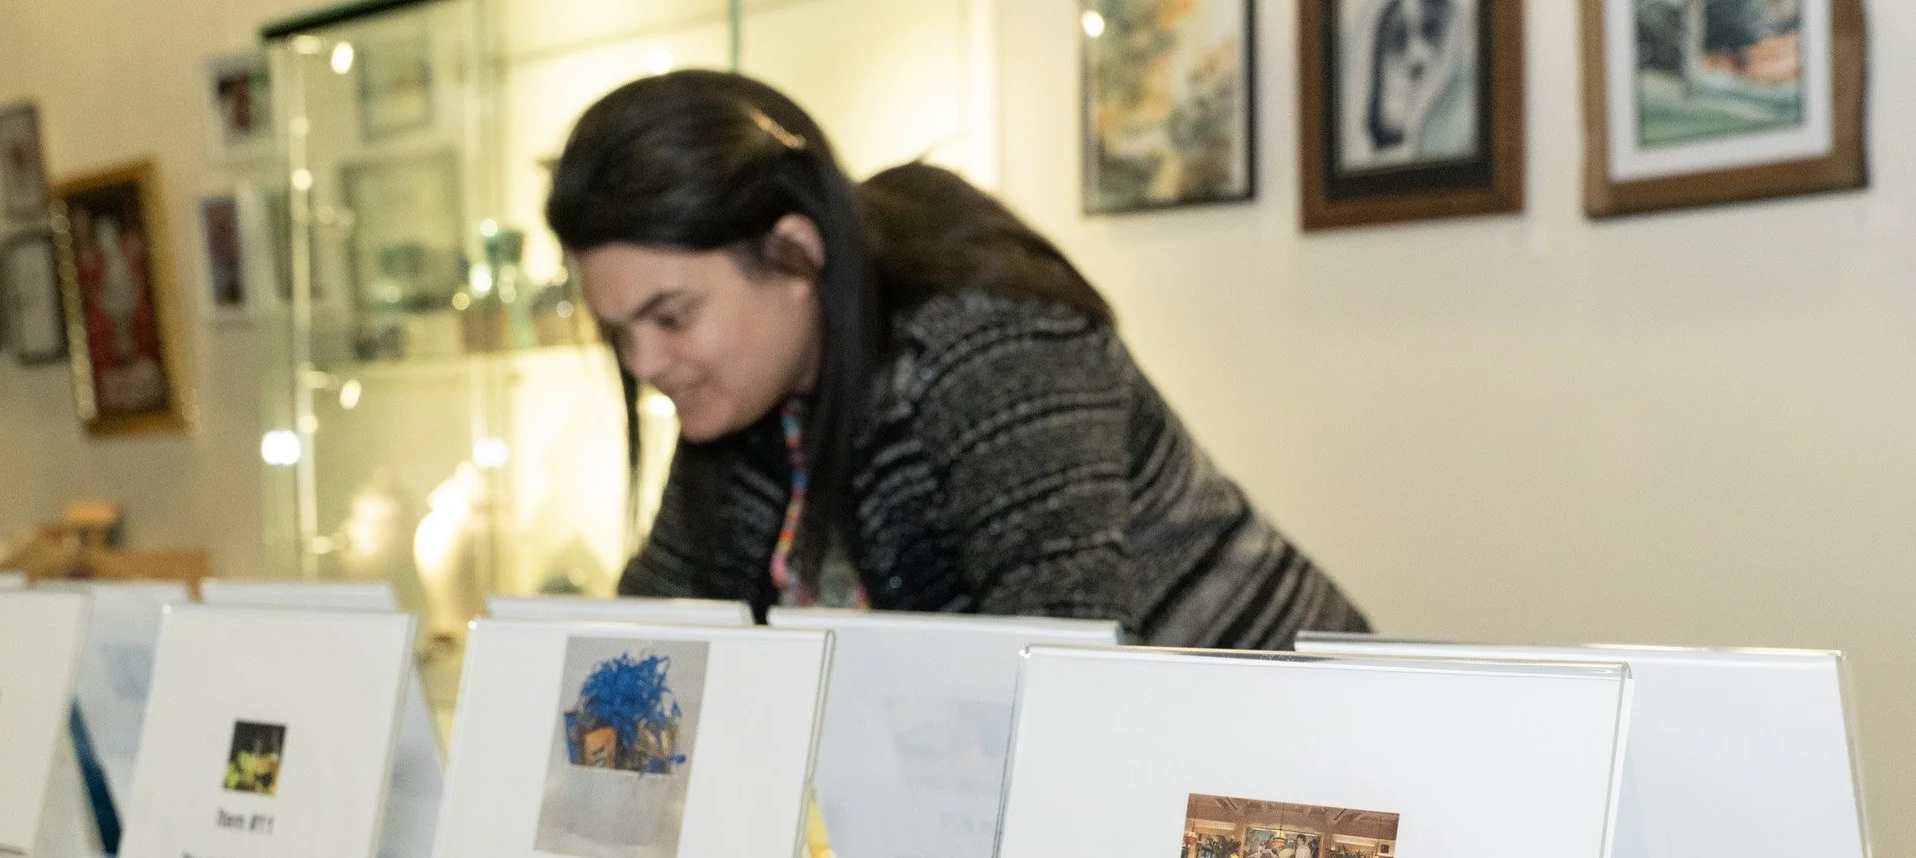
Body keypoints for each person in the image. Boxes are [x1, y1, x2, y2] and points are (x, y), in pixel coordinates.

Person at [548, 70, 1368, 644]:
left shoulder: (989, 345)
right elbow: (661, 636)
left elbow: (1063, 668)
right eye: (617, 331)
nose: (644, 362)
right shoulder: (745, 401)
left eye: (672, 317)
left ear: (795, 255)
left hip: (1279, 768)